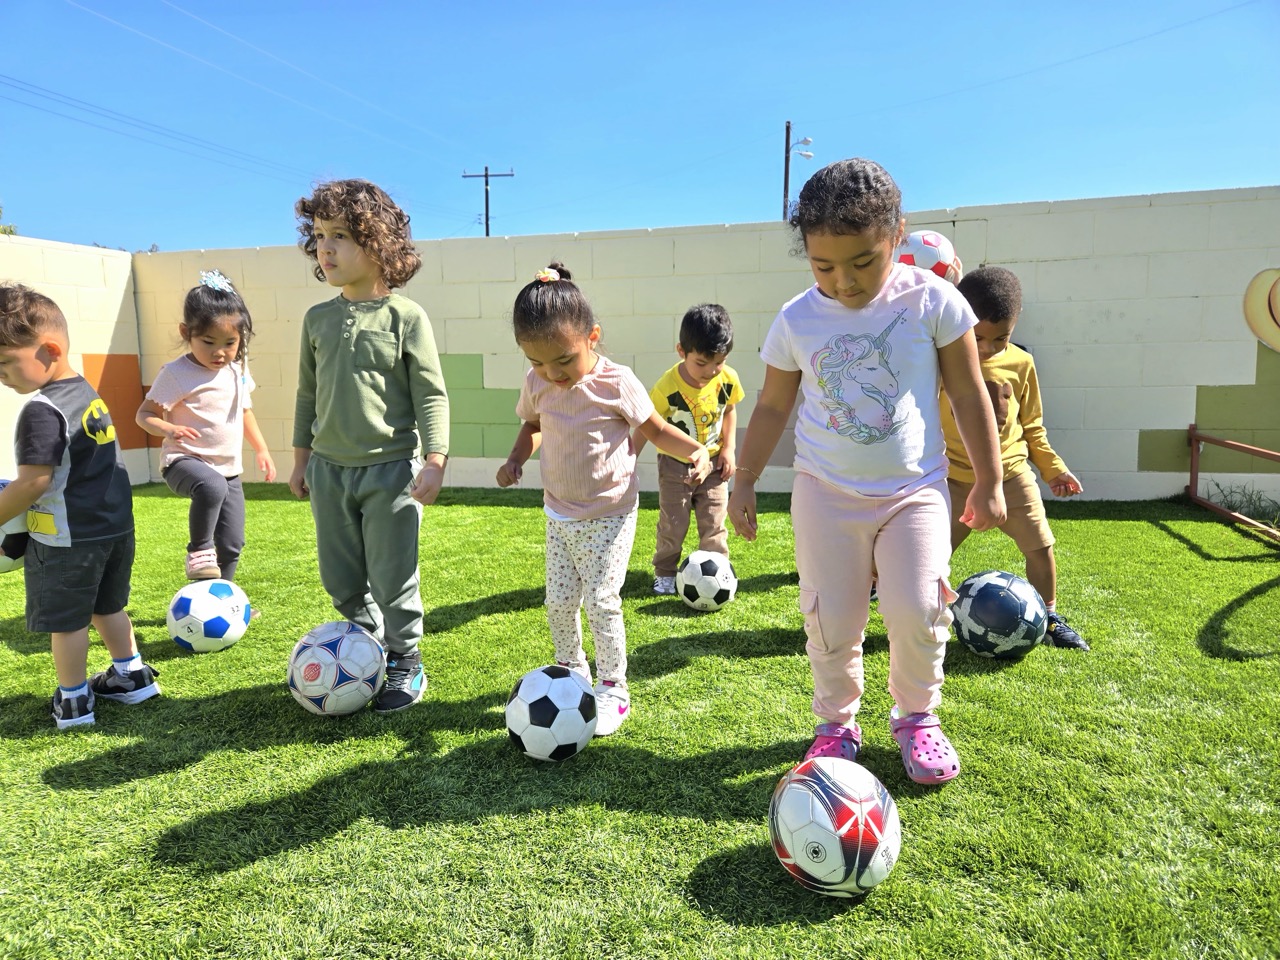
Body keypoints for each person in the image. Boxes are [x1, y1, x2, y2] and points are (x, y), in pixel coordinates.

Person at [726, 159, 1005, 785]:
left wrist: (988, 480)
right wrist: (744, 479)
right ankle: (835, 726)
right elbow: (773, 404)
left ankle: (916, 717)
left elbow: (967, 394)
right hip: (824, 494)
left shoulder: (933, 301)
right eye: (824, 266)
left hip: (916, 493)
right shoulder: (797, 318)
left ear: (897, 236)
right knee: (831, 619)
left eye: (863, 261)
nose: (845, 281)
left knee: (916, 610)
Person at [496, 263, 711, 736]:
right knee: (558, 602)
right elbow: (532, 426)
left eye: (563, 361)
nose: (552, 375)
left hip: (610, 513)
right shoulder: (538, 385)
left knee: (601, 600)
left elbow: (654, 429)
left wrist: (697, 450)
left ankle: (614, 686)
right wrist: (516, 459)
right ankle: (571, 671)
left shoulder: (617, 382)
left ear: (592, 336)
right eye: (536, 363)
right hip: (558, 513)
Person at [290, 179, 449, 714]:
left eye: (339, 236)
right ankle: (363, 649)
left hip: (390, 474)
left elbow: (431, 393)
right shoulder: (317, 319)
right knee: (340, 576)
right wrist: (300, 459)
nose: (324, 248)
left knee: (392, 574)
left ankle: (406, 658)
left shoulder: (407, 318)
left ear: (378, 245)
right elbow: (307, 394)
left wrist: (435, 459)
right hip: (329, 472)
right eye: (317, 236)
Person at [0, 283, 160, 729]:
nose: (1, 375)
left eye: (5, 363)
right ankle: (132, 675)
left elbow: (34, 481)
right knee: (107, 606)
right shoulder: (86, 391)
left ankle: (73, 700)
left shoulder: (41, 410)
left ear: (48, 350)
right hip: (114, 530)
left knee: (67, 621)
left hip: (67, 538)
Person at [944, 265, 1089, 651]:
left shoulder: (1022, 364)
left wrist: (1054, 469)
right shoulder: (941, 361)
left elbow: (1033, 426)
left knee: (1041, 548)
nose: (988, 347)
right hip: (952, 480)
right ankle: (926, 618)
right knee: (931, 556)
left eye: (1001, 337)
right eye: (978, 337)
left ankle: (1050, 616)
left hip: (1012, 476)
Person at [137, 270, 276, 581]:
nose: (220, 352)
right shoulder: (176, 373)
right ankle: (199, 551)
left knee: (232, 544)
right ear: (187, 332)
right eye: (209, 341)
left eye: (230, 342)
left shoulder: (237, 368)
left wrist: (262, 449)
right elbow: (143, 415)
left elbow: (244, 411)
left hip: (229, 470)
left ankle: (222, 599)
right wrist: (169, 429)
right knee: (210, 485)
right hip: (184, 462)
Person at [635, 303, 744, 595]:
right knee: (673, 522)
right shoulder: (666, 386)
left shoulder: (728, 379)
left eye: (718, 362)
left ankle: (717, 572)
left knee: (714, 522)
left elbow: (730, 410)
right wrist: (627, 457)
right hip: (675, 466)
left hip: (714, 466)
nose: (710, 371)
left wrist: (729, 449)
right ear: (681, 350)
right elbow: (648, 424)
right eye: (701, 363)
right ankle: (666, 572)